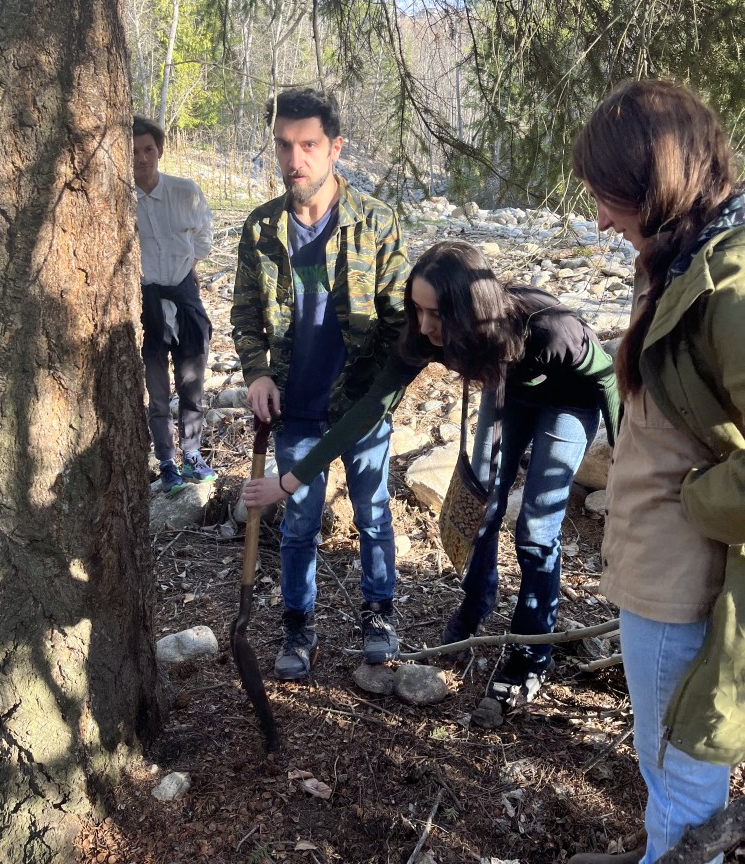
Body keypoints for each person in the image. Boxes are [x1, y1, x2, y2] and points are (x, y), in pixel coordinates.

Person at [244, 239, 619, 711]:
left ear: (468, 307)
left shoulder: (549, 329)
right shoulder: (424, 334)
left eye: (436, 313)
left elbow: (605, 377)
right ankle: (476, 603)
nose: (424, 326)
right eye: (417, 310)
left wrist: (623, 462)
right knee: (480, 496)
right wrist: (293, 479)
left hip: (568, 397)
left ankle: (530, 654)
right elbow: (369, 409)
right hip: (507, 388)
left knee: (536, 531)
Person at [569, 79, 745, 864]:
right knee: (665, 769)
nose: (601, 220)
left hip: (687, 585)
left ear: (661, 183)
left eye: (612, 199)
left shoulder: (729, 287)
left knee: (684, 782)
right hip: (655, 575)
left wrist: (698, 501)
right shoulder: (677, 258)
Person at [231, 88, 409, 680]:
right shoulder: (261, 230)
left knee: (373, 514)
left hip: (359, 409)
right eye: (284, 145)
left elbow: (399, 325)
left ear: (335, 148)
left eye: (308, 145)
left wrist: (379, 400)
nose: (294, 159)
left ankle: (379, 614)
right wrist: (256, 372)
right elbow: (244, 315)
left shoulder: (377, 224)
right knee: (300, 521)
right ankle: (297, 625)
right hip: (296, 409)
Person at [133, 116, 215, 496]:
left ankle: (192, 454)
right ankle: (166, 462)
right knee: (157, 389)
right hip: (145, 304)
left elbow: (203, 234)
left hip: (185, 296)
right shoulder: (119, 201)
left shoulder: (185, 192)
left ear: (160, 150)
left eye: (148, 149)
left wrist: (187, 271)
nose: (142, 158)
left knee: (192, 382)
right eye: (134, 152)